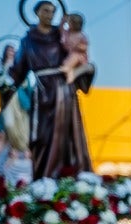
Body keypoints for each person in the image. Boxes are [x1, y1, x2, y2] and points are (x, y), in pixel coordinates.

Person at [11, 0, 93, 177]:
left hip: (63, 91)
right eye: (45, 11)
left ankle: (70, 176)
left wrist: (84, 68)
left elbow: (77, 54)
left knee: (67, 136)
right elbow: (18, 69)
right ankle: (44, 177)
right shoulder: (28, 40)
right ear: (37, 13)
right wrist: (6, 81)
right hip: (41, 93)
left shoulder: (61, 37)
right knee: (42, 136)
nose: (49, 15)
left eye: (52, 11)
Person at [59, 12, 93, 85]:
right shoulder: (67, 32)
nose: (73, 25)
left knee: (74, 56)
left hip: (80, 56)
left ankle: (68, 69)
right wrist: (63, 21)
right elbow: (61, 30)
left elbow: (85, 47)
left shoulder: (81, 35)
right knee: (67, 60)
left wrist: (78, 47)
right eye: (71, 22)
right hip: (70, 55)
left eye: (76, 23)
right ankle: (70, 73)